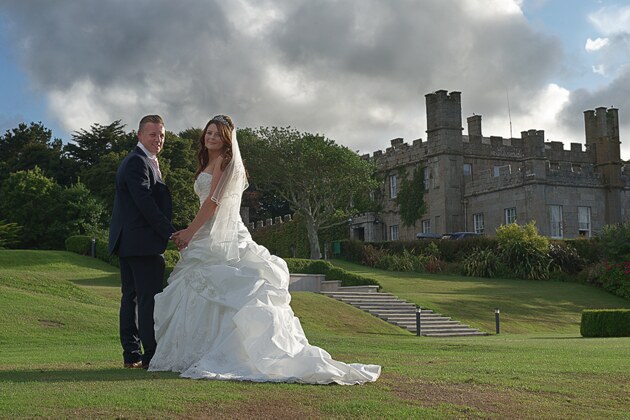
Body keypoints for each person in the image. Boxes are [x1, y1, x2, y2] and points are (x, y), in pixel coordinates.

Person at [149, 115, 381, 384]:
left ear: (227, 139)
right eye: (208, 132)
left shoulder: (225, 162)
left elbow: (213, 202)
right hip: (208, 233)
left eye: (216, 134)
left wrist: (190, 231)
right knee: (200, 288)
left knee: (235, 286)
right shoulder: (208, 161)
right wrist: (194, 231)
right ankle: (192, 352)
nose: (210, 137)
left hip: (222, 233)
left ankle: (234, 353)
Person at [109, 114, 176, 369]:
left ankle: (132, 356)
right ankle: (148, 356)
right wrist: (169, 232)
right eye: (152, 134)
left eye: (161, 135)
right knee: (146, 300)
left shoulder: (146, 161)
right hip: (141, 243)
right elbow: (145, 202)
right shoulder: (137, 162)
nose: (158, 139)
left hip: (131, 242)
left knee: (133, 299)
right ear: (140, 136)